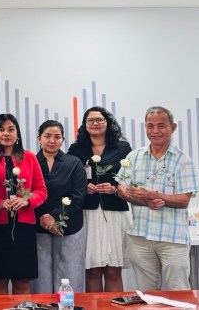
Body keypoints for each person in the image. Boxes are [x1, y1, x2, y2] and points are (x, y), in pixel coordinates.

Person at [119, 106, 199, 290]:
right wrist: (145, 200)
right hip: (140, 236)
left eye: (161, 125)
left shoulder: (183, 161)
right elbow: (121, 187)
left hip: (173, 239)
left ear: (173, 127)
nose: (155, 131)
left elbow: (183, 200)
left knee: (178, 292)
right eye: (150, 126)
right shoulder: (134, 156)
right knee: (147, 294)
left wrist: (153, 195)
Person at [67, 106, 131, 292]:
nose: (95, 123)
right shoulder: (76, 149)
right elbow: (69, 179)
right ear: (84, 125)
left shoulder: (123, 148)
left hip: (114, 211)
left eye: (99, 120)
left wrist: (115, 188)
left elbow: (131, 179)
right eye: (90, 120)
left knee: (113, 270)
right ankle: (94, 305)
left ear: (108, 123)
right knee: (92, 270)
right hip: (88, 213)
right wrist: (83, 187)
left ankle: (116, 305)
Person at [0, 114, 48, 295]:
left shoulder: (29, 157)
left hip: (23, 226)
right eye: (1, 129)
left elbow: (41, 190)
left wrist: (27, 200)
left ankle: (22, 307)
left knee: (22, 279)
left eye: (11, 129)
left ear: (17, 133)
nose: (6, 133)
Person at [31, 120, 87, 294]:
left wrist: (54, 217)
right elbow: (26, 194)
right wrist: (45, 219)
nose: (52, 141)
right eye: (47, 136)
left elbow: (78, 196)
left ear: (63, 139)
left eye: (57, 137)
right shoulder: (30, 161)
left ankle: (69, 306)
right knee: (40, 280)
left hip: (69, 227)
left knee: (70, 278)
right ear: (39, 138)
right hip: (37, 227)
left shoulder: (74, 163)